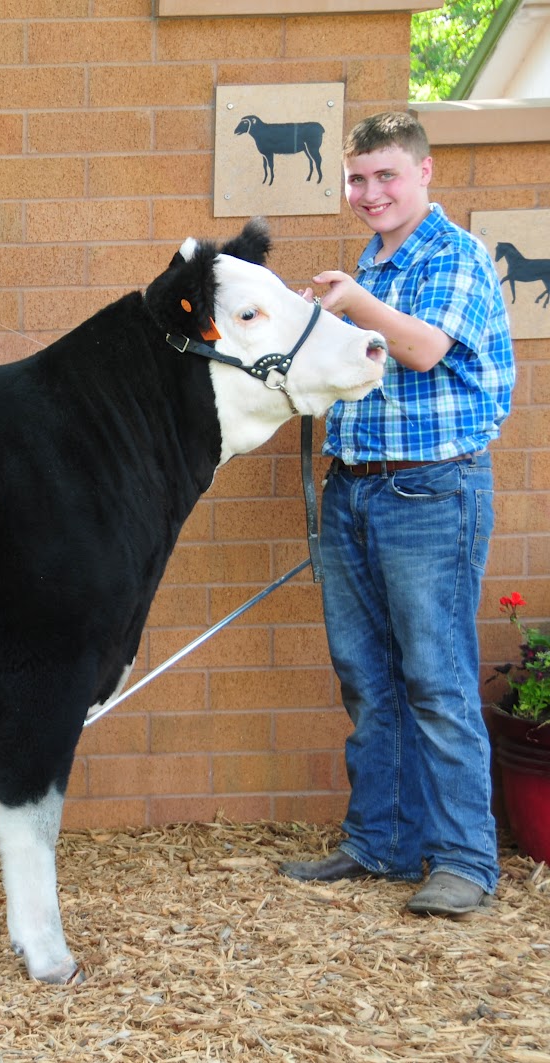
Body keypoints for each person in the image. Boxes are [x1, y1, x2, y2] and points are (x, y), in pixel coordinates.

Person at [280, 111, 515, 915]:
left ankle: (463, 860)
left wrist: (355, 303)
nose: (370, 192)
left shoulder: (455, 255)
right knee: (367, 679)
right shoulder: (371, 261)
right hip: (356, 486)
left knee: (436, 680)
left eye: (385, 175)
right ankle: (380, 840)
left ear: (424, 174)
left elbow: (422, 350)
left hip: (430, 492)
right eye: (357, 178)